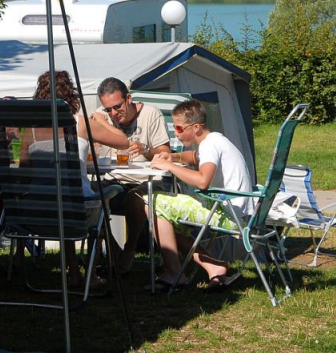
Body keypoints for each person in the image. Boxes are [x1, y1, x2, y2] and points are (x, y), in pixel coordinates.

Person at [25, 70, 126, 288]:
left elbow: (23, 166)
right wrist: (102, 121)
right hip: (76, 209)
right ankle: (90, 273)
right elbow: (123, 141)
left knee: (64, 196)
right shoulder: (79, 124)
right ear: (71, 96)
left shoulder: (29, 130)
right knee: (97, 201)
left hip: (39, 209)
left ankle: (73, 272)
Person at [148, 99, 252, 290]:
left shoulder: (209, 145)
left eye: (179, 129)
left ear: (196, 127)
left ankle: (174, 273)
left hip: (227, 214)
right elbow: (196, 158)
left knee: (152, 203)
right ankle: (212, 265)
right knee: (164, 216)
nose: (176, 134)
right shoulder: (215, 140)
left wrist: (168, 166)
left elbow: (203, 180)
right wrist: (174, 156)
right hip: (238, 211)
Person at [89, 77, 170, 273]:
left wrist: (145, 150)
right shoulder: (102, 116)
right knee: (90, 196)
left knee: (135, 198)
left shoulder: (151, 114)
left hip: (146, 181)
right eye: (108, 109)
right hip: (113, 178)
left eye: (117, 107)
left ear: (129, 98)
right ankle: (113, 249)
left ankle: (129, 248)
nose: (114, 114)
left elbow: (165, 154)